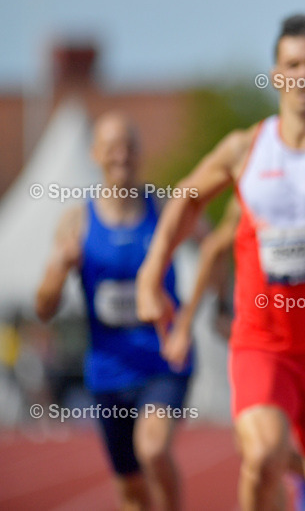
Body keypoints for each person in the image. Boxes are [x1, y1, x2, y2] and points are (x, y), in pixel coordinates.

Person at [136, 14, 305, 511]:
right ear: (276, 75)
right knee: (264, 455)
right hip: (263, 345)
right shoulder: (245, 147)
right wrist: (152, 272)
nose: (304, 75)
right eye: (292, 64)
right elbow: (185, 199)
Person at [35, 112, 193, 511]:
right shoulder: (76, 222)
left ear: (140, 153)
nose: (121, 156)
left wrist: (215, 308)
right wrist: (59, 270)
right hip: (107, 372)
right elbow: (43, 308)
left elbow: (216, 245)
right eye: (111, 147)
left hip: (163, 362)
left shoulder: (164, 209)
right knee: (131, 489)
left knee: (153, 449)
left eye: (129, 147)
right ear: (95, 154)